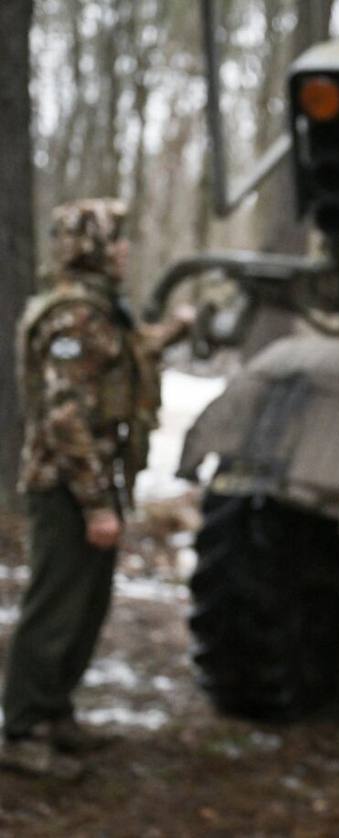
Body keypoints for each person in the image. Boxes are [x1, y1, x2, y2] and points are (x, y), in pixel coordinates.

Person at [1, 198, 191, 779]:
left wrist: (176, 330)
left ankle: (56, 713)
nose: (125, 251)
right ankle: (22, 730)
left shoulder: (101, 313)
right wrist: (94, 505)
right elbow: (64, 417)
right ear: (92, 248)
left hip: (92, 482)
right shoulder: (74, 319)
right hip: (66, 486)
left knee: (86, 606)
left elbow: (123, 364)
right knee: (57, 607)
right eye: (116, 241)